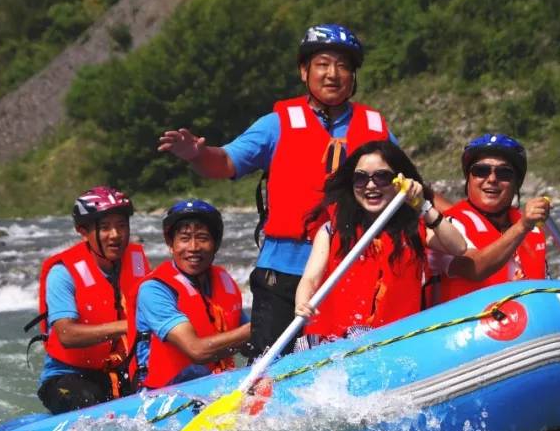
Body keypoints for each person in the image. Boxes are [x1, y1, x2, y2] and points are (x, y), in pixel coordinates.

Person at [158, 23, 396, 358]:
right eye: (323, 64)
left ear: (353, 75)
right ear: (304, 71)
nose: (333, 74)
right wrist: (197, 154)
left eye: (343, 66)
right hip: (283, 273)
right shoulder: (278, 123)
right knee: (271, 368)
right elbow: (225, 162)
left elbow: (407, 186)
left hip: (350, 269)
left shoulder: (375, 127)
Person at [293, 141, 466, 343]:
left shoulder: (415, 229)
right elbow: (310, 279)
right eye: (360, 178)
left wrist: (424, 206)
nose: (371, 185)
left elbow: (458, 247)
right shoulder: (331, 231)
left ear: (399, 181)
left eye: (382, 177)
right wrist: (302, 303)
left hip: (393, 342)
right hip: (335, 343)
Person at [32, 186, 150, 414]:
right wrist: (129, 326)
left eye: (122, 225)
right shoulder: (62, 273)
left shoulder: (136, 261)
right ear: (83, 231)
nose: (116, 235)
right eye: (105, 227)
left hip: (124, 369)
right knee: (89, 401)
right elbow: (67, 335)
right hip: (69, 376)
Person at [134, 199, 251, 389]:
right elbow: (196, 351)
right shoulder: (154, 289)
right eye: (185, 238)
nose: (194, 247)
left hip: (216, 386)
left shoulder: (225, 281)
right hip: (162, 395)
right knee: (197, 372)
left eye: (203, 238)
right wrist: (254, 329)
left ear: (216, 244)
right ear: (171, 244)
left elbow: (249, 343)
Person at [429, 134, 551, 305]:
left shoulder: (534, 230)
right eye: (481, 171)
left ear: (516, 183)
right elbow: (474, 268)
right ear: (468, 179)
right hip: (466, 327)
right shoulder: (449, 226)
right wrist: (523, 226)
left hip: (528, 325)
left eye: (504, 173)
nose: (492, 179)